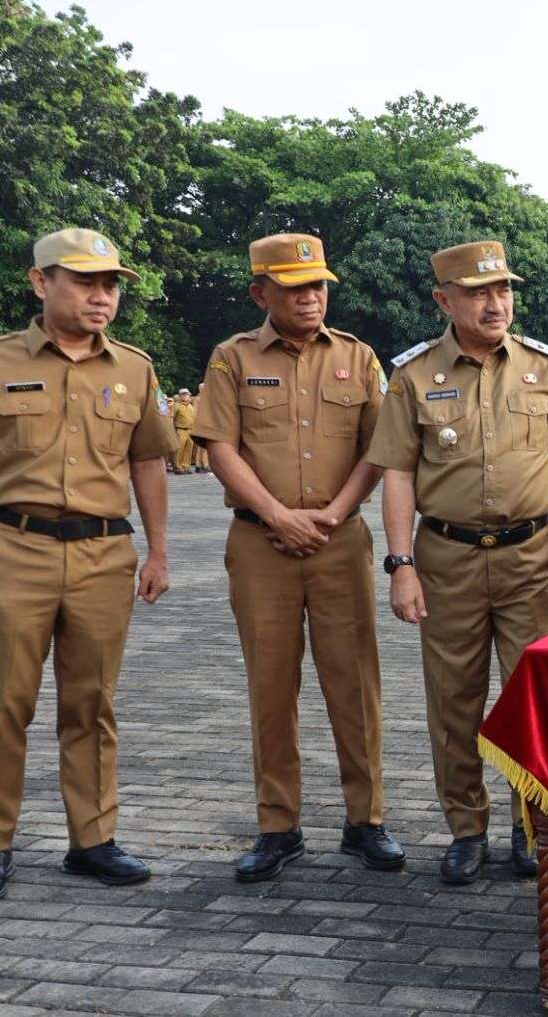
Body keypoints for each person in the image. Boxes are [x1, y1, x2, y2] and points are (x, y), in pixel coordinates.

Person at [0, 228, 177, 904]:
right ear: (39, 282)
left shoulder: (134, 369)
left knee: (92, 704)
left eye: (110, 285)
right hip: (13, 550)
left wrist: (160, 549)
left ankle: (93, 839)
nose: (101, 297)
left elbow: (148, 462)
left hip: (104, 555)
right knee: (0, 704)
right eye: (84, 282)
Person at [368, 239, 548, 883]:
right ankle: (466, 830)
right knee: (453, 701)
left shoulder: (543, 368)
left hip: (529, 559)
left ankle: (532, 825)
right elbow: (399, 475)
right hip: (447, 561)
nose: (496, 303)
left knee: (531, 698)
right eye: (478, 292)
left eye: (503, 290)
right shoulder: (413, 376)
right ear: (445, 300)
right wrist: (401, 564)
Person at [193, 232, 400, 882]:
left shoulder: (359, 358)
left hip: (340, 542)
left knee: (355, 681)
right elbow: (218, 446)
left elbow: (380, 449)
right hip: (260, 543)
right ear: (261, 293)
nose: (311, 298)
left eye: (317, 286)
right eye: (293, 288)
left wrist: (335, 512)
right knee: (271, 685)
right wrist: (279, 514)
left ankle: (366, 820)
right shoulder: (231, 358)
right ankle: (277, 826)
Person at [170, 388, 197, 473]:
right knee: (179, 449)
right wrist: (171, 430)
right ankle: (178, 467)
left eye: (186, 394)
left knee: (189, 448)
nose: (185, 396)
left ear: (189, 395)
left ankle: (185, 466)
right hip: (180, 430)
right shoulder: (176, 406)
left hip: (190, 430)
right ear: (180, 396)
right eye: (183, 394)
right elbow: (171, 417)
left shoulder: (190, 406)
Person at [192, 383, 210, 472]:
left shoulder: (208, 399)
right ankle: (201, 465)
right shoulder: (198, 399)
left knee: (204, 447)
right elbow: (195, 412)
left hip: (207, 424)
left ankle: (203, 464)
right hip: (201, 424)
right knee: (201, 446)